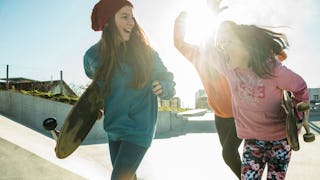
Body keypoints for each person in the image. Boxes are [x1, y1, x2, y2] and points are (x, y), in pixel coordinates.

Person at [180, 18, 309, 179]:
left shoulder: (271, 68)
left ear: (245, 46)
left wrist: (298, 117)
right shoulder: (228, 67)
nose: (223, 48)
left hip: (280, 140)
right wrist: (210, 12)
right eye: (221, 44)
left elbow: (300, 86)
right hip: (253, 140)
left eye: (228, 43)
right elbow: (206, 49)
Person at [83, 0, 176, 179]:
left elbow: (168, 81)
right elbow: (97, 88)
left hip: (139, 128)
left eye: (132, 17)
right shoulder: (92, 56)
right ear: (108, 22)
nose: (131, 22)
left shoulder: (147, 54)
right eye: (124, 17)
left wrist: (163, 86)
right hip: (113, 128)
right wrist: (96, 105)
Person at [173, 1, 243, 179]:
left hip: (240, 114)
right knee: (230, 156)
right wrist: (181, 20)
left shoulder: (231, 57)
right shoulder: (197, 54)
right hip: (220, 116)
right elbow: (179, 42)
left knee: (228, 154)